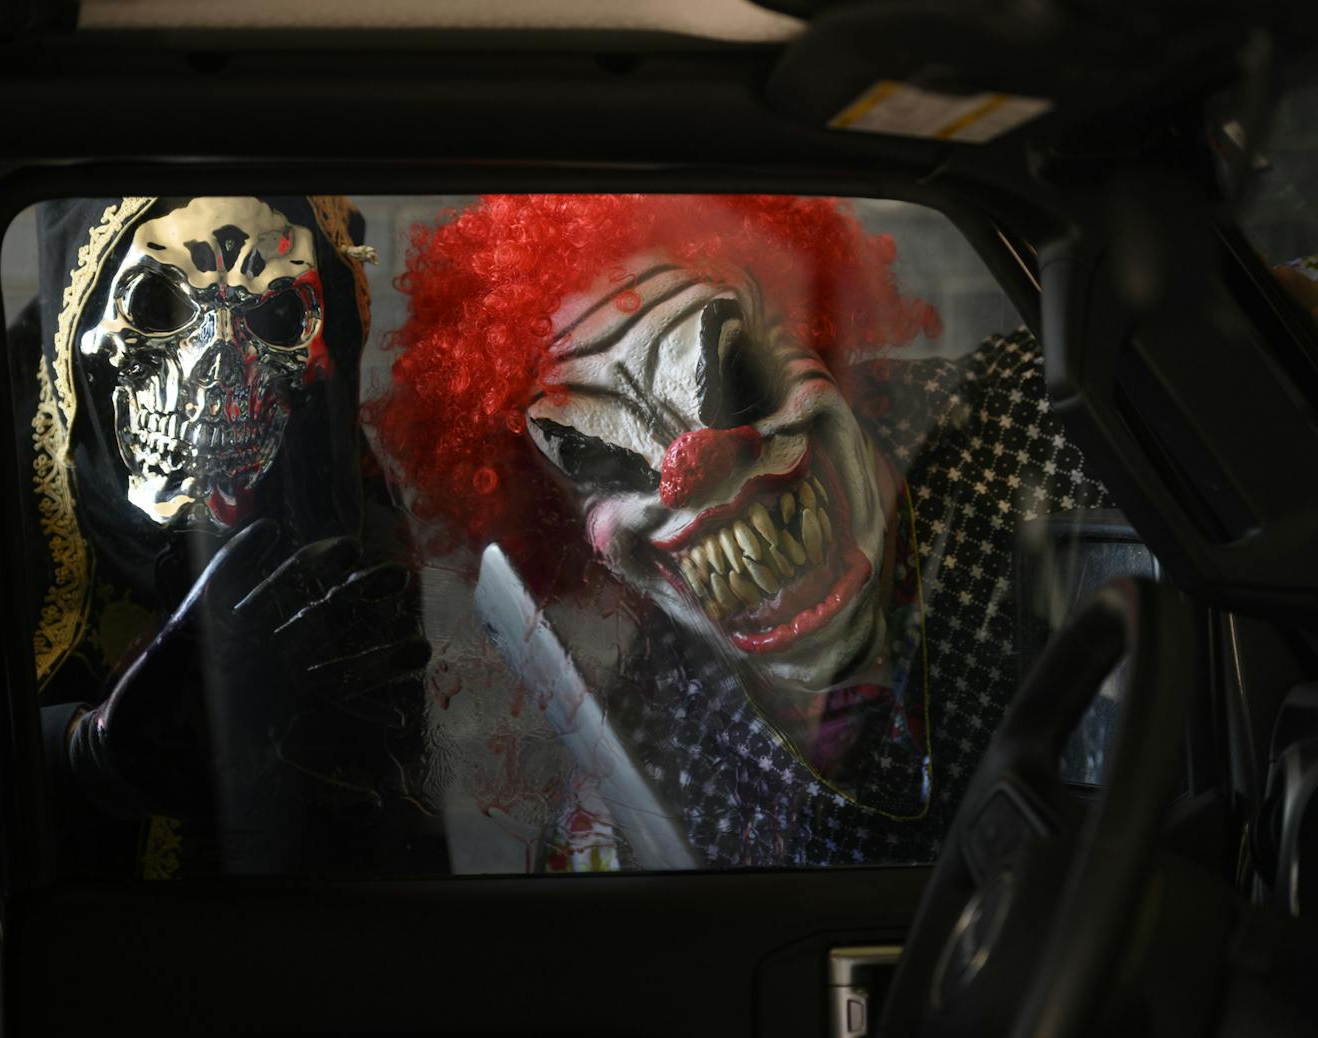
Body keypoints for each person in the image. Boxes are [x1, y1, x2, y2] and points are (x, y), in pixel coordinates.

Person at [368, 194, 1110, 867]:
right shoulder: (646, 773)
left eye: (738, 375)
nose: (691, 469)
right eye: (594, 457)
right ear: (559, 516)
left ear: (811, 331)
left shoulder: (1065, 425)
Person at [19, 195, 441, 875]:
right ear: (80, 325)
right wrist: (80, 757)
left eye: (278, 317)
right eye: (160, 307)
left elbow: (390, 790)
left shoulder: (334, 484)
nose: (217, 371)